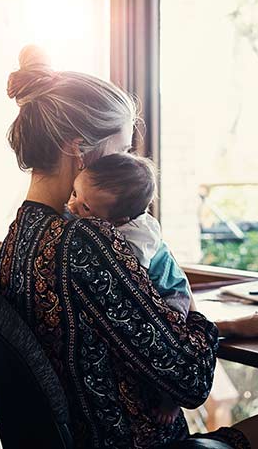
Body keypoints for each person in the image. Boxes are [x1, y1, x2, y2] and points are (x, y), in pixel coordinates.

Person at [0, 45, 258, 449]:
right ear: (78, 150)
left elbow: (104, 335)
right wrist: (201, 324)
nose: (125, 166)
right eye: (119, 151)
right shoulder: (87, 240)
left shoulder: (19, 237)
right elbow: (190, 381)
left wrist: (227, 327)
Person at [66, 151, 192, 425]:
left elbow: (131, 277)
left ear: (120, 220)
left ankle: (171, 399)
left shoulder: (137, 238)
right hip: (159, 288)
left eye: (85, 208)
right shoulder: (108, 221)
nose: (72, 205)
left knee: (167, 346)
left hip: (172, 294)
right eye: (75, 193)